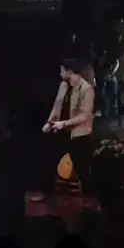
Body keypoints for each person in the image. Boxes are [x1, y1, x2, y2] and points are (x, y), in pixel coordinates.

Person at [43, 59, 95, 193]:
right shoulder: (63, 86)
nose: (60, 74)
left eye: (62, 71)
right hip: (62, 132)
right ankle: (48, 195)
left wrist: (64, 123)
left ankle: (88, 198)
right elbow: (56, 106)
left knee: (82, 170)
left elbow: (85, 115)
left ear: (70, 72)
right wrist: (49, 122)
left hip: (79, 135)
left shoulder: (86, 89)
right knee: (50, 162)